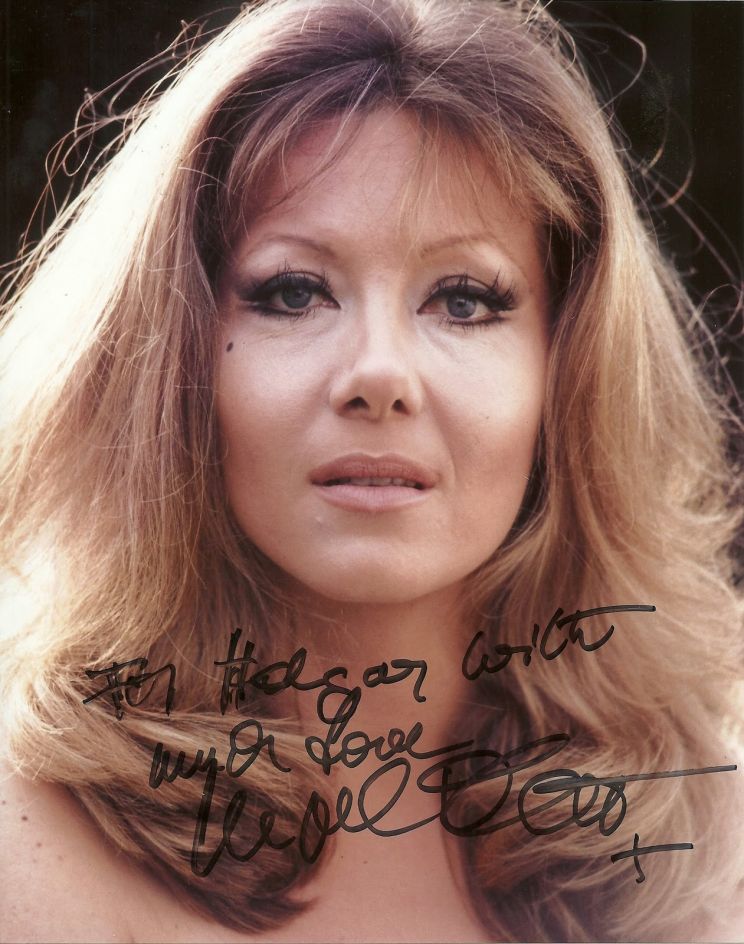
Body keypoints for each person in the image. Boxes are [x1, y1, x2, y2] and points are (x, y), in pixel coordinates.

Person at [1, 0, 742, 941]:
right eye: (294, 292)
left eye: (463, 301)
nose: (380, 375)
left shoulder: (713, 841)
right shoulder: (25, 840)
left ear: (569, 373)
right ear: (167, 361)